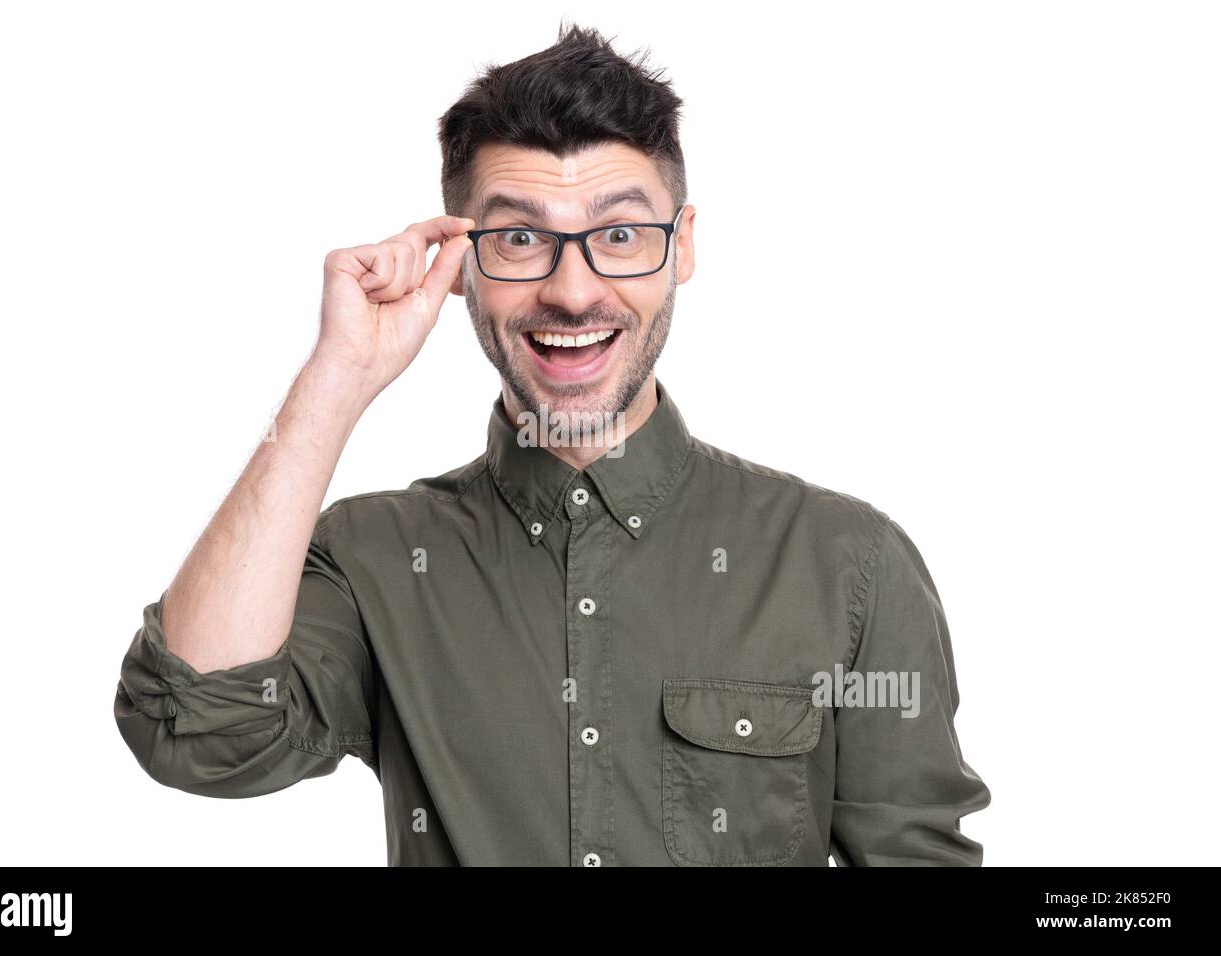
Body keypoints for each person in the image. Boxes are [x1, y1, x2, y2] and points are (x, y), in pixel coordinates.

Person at [113, 21, 990, 866]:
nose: (573, 291)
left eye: (619, 234)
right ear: (459, 264)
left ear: (681, 247)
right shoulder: (373, 558)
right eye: (521, 238)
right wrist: (337, 376)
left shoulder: (849, 564)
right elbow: (192, 727)